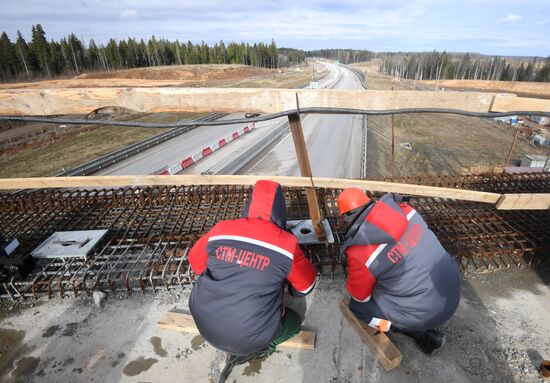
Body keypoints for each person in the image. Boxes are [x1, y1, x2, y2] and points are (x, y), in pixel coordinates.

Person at [188, 180, 317, 379]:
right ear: (280, 211)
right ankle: (260, 349)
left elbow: (196, 263)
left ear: (248, 205)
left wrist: (230, 265)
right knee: (293, 321)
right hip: (249, 336)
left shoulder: (221, 229)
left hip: (203, 321)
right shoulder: (286, 244)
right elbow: (306, 286)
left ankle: (233, 343)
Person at [337, 188, 460, 355]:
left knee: (358, 308)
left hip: (426, 315)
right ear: (368, 201)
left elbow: (360, 296)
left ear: (344, 217)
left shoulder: (361, 254)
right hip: (452, 291)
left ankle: (411, 331)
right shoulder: (407, 211)